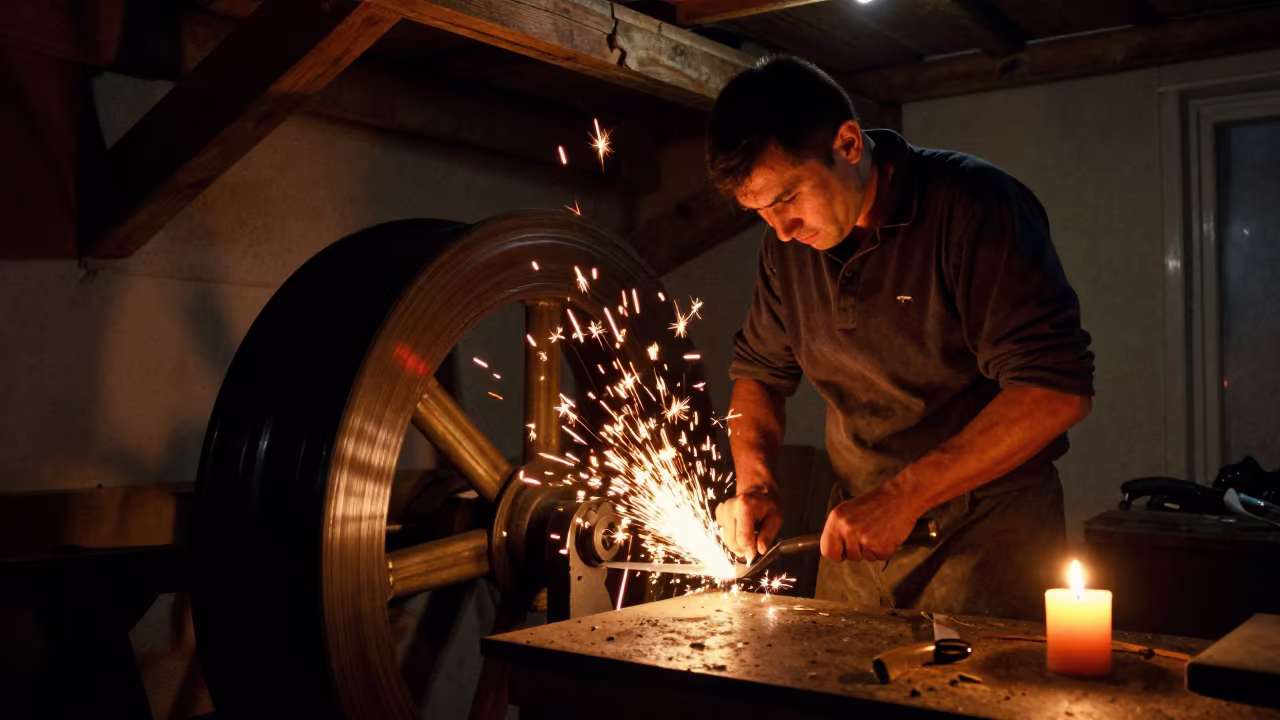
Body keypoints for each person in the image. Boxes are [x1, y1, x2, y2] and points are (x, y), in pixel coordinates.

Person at [709, 56, 1095, 620]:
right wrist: (757, 485)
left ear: (847, 144)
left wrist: (903, 497)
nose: (782, 230)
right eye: (762, 212)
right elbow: (759, 376)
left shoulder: (975, 207)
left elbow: (1055, 392)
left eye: (788, 198)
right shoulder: (786, 251)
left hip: (987, 541)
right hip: (856, 540)